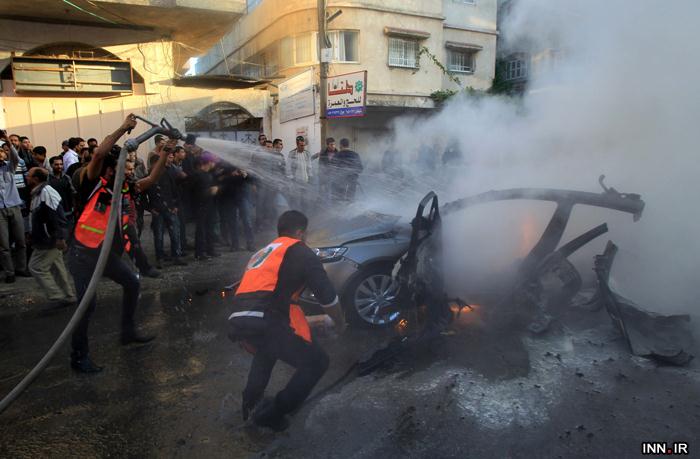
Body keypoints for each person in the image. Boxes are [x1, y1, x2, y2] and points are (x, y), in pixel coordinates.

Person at [68, 114, 169, 373]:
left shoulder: (125, 188)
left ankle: (127, 332)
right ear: (113, 167)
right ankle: (79, 357)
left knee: (132, 282)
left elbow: (151, 181)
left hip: (104, 254)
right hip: (82, 255)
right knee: (86, 305)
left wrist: (166, 154)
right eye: (128, 164)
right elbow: (99, 154)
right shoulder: (90, 180)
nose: (131, 169)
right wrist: (123, 128)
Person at [228, 210, 346, 431]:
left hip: (239, 316)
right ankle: (273, 414)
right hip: (265, 316)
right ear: (301, 233)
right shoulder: (301, 251)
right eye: (306, 234)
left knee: (267, 350)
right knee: (317, 362)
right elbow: (328, 298)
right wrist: (340, 322)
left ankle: (250, 404)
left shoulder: (264, 252)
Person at [25, 167, 76, 306]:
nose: (26, 177)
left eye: (29, 175)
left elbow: (58, 217)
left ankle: (56, 296)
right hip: (47, 238)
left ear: (36, 179)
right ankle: (68, 296)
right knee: (57, 268)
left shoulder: (47, 192)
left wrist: (60, 238)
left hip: (49, 240)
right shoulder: (38, 193)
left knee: (36, 266)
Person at [147, 150, 186, 267]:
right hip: (157, 210)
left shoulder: (169, 172)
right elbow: (144, 193)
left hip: (170, 208)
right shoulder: (149, 175)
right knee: (158, 236)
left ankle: (176, 256)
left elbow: (176, 190)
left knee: (175, 233)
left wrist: (175, 206)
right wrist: (150, 208)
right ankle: (160, 258)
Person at [0, 133, 28, 283]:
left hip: (14, 205)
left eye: (1, 152)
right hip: (0, 210)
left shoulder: (10, 167)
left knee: (20, 240)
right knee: (4, 244)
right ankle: (9, 272)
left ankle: (21, 268)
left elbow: (16, 158)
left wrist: (8, 142)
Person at [190, 152, 219, 261]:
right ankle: (199, 253)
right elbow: (194, 193)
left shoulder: (209, 175)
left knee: (209, 228)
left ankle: (210, 250)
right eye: (213, 162)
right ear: (209, 162)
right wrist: (210, 191)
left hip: (209, 206)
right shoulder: (197, 175)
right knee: (201, 230)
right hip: (200, 207)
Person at [331, 138, 363, 203]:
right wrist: (353, 174)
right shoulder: (355, 155)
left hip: (339, 184)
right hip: (352, 183)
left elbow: (331, 169)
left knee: (339, 201)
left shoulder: (337, 155)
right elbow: (360, 169)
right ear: (348, 145)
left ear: (341, 145)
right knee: (350, 201)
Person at [48, 156, 75, 232]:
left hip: (68, 210)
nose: (59, 166)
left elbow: (73, 192)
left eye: (61, 164)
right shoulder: (47, 178)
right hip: (54, 212)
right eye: (56, 164)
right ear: (51, 165)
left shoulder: (67, 178)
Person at [287, 136, 312, 211]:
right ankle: (297, 216)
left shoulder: (307, 153)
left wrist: (310, 176)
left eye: (304, 145)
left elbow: (310, 166)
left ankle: (304, 215)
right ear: (297, 145)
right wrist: (292, 178)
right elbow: (288, 167)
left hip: (305, 181)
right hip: (296, 181)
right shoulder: (292, 154)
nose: (303, 147)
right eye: (301, 145)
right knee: (296, 200)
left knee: (305, 200)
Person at [311, 137, 337, 205]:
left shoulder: (338, 152)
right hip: (323, 176)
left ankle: (331, 207)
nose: (333, 146)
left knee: (332, 194)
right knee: (322, 193)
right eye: (331, 144)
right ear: (327, 145)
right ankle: (321, 207)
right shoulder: (323, 152)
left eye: (334, 144)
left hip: (334, 177)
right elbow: (314, 156)